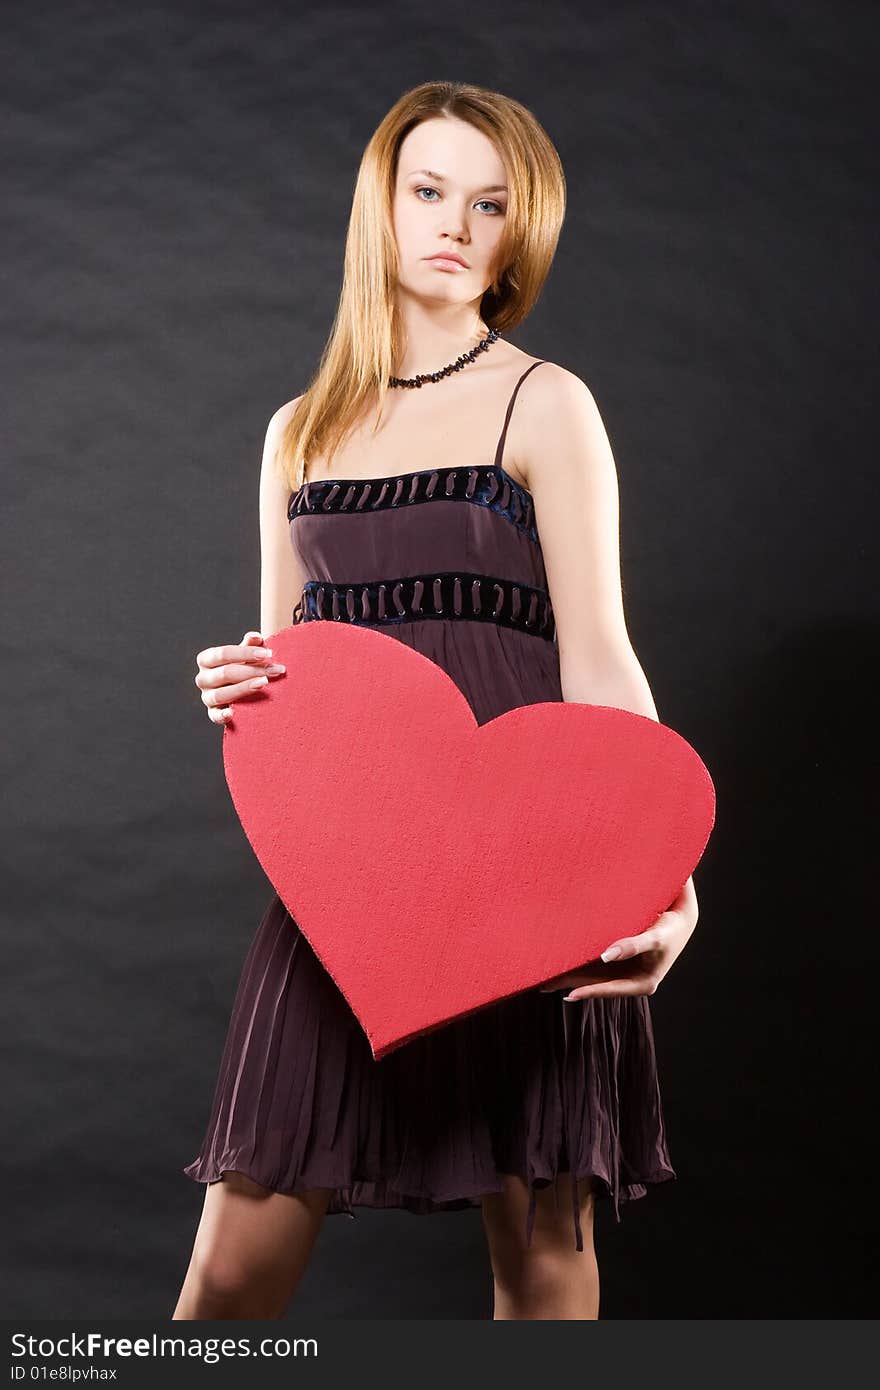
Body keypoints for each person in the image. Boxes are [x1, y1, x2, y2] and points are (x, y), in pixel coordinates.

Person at [173, 80, 700, 1322]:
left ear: (523, 232)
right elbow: (288, 666)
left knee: (543, 1261)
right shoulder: (296, 432)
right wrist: (234, 683)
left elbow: (601, 662)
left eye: (491, 204)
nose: (455, 224)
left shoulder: (543, 401)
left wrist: (667, 880)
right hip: (352, 885)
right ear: (381, 206)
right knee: (229, 1275)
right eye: (427, 191)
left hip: (537, 868)